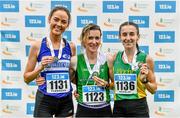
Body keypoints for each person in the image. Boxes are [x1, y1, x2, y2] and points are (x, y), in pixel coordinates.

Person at [23, 6, 76, 117]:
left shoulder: (71, 47)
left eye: (63, 22)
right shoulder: (37, 46)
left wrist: (80, 88)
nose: (59, 24)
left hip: (66, 100)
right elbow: (26, 78)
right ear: (49, 19)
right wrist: (39, 68)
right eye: (56, 19)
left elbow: (73, 75)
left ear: (67, 25)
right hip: (44, 100)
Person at [113, 21, 157, 117]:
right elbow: (111, 84)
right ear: (119, 37)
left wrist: (144, 81)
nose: (128, 38)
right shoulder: (114, 58)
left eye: (132, 34)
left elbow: (154, 89)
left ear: (138, 37)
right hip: (119, 108)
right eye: (124, 35)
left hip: (139, 107)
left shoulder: (146, 59)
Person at [70, 23, 114, 117]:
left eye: (97, 38)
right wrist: (78, 88)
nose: (94, 42)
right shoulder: (75, 60)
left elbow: (116, 85)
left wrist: (106, 85)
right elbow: (69, 80)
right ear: (83, 39)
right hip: (83, 109)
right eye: (90, 38)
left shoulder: (108, 59)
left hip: (104, 109)